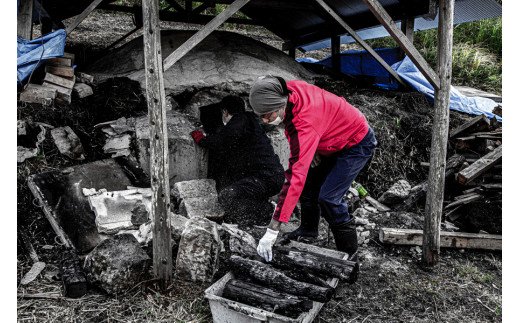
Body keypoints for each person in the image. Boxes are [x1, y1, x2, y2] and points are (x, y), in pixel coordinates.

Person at [249, 76, 377, 283]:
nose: (264, 121)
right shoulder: (284, 91)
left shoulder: (306, 120)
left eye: (266, 115)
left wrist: (273, 229)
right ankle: (309, 230)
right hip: (330, 137)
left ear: (280, 105)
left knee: (329, 198)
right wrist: (314, 145)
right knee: (309, 185)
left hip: (356, 142)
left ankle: (350, 259)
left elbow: (293, 177)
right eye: (260, 116)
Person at [190, 95, 285, 226]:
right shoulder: (251, 123)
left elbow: (222, 140)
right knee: (235, 194)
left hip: (265, 178)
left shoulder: (241, 119)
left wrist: (202, 139)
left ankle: (268, 212)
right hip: (271, 177)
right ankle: (262, 211)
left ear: (225, 112)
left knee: (227, 195)